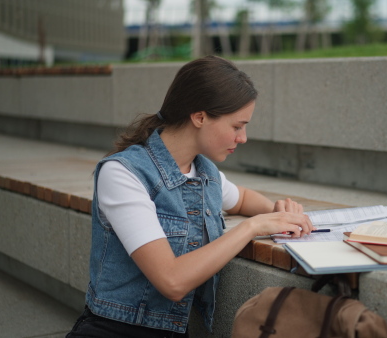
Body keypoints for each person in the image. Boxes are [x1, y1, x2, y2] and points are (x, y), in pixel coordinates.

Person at [67, 55, 314, 337]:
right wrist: (253, 226)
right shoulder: (123, 174)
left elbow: (241, 198)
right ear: (199, 116)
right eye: (237, 126)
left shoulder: (203, 172)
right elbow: (171, 280)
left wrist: (276, 212)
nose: (243, 138)